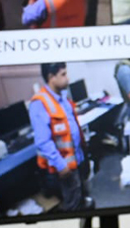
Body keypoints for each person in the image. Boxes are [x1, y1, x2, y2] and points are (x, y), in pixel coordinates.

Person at [30, 63, 89, 212]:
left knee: (80, 191)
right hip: (65, 165)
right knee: (72, 201)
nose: (67, 78)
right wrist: (61, 165)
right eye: (63, 74)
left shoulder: (62, 97)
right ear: (51, 77)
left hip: (78, 157)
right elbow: (43, 142)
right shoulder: (40, 103)